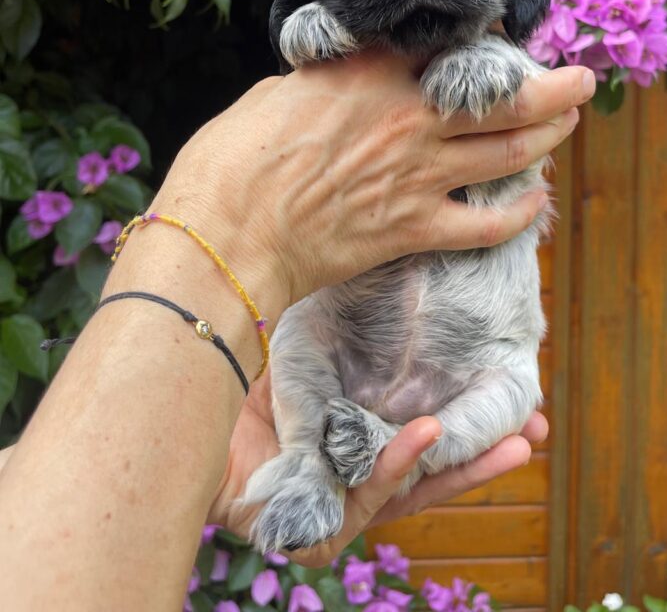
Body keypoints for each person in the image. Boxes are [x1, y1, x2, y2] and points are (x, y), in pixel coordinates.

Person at [0, 51, 595, 610]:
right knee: (298, 333)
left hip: (467, 372)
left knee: (513, 394)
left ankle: (380, 449)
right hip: (335, 354)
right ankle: (311, 462)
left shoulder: (492, 55)